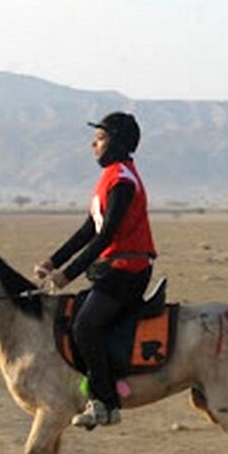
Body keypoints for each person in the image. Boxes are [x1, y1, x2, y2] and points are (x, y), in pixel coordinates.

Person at [35, 112, 157, 429]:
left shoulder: (123, 182)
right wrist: (52, 261)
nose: (93, 144)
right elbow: (89, 229)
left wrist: (66, 275)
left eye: (100, 138)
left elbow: (106, 236)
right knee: (74, 318)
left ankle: (105, 403)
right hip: (112, 270)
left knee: (85, 327)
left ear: (116, 141)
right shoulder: (111, 177)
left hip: (128, 270)